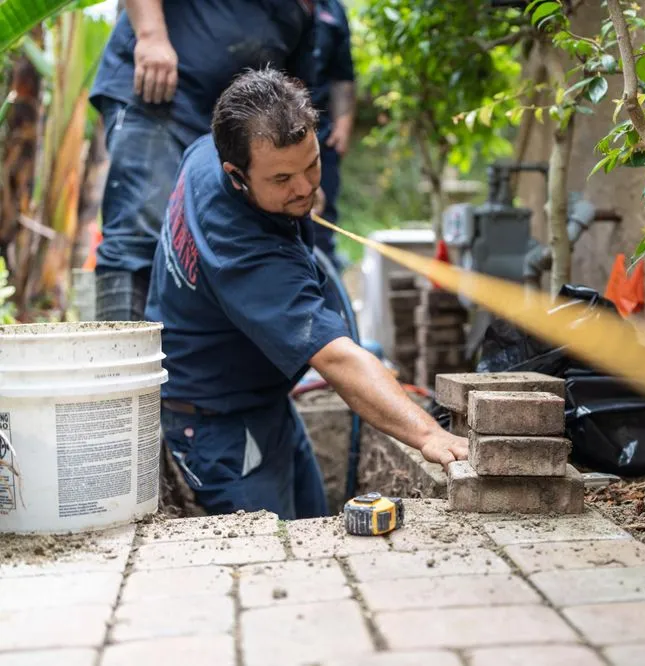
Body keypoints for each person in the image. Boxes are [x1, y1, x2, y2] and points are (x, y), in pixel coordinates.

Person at [144, 68, 468, 519]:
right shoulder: (246, 253)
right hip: (217, 423)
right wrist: (429, 434)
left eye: (311, 164)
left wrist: (284, 193)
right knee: (272, 561)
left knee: (316, 529)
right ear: (235, 174)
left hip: (262, 401)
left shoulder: (204, 152)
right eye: (281, 180)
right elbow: (335, 358)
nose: (304, 188)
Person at [89, 0, 316, 321]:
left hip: (235, 130)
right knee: (138, 236)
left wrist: (300, 174)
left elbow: (298, 87)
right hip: (161, 94)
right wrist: (151, 35)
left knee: (218, 246)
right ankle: (120, 364)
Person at [309, 0, 356, 270]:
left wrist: (344, 124)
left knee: (321, 224)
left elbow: (343, 74)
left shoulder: (333, 10)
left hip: (321, 134)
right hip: (271, 128)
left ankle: (323, 291)